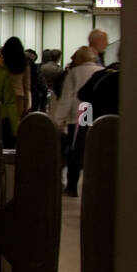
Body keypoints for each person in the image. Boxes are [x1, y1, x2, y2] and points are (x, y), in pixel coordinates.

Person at [53, 46, 103, 197]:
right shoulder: (100, 71)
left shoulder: (74, 73)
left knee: (75, 151)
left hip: (77, 115)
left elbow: (67, 97)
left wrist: (58, 120)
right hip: (94, 115)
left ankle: (72, 186)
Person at [1, 36, 30, 126]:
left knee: (4, 124)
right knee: (16, 125)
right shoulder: (24, 64)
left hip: (4, 97)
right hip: (19, 97)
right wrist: (27, 104)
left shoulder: (2, 64)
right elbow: (27, 85)